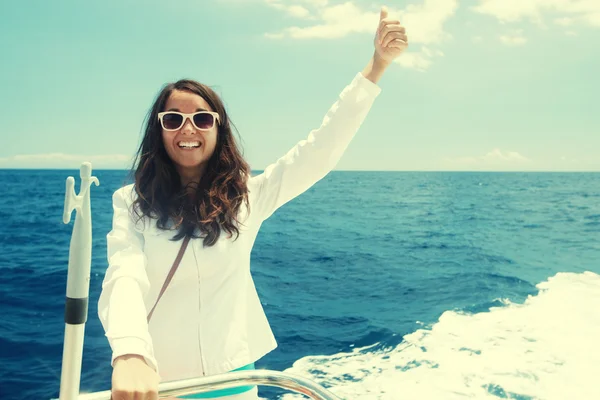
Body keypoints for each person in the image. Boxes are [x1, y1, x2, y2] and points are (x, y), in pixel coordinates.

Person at [98, 6, 407, 400]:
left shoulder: (247, 197)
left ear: (218, 129)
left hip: (234, 382)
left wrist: (376, 67)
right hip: (158, 382)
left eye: (202, 119)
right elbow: (124, 273)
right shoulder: (131, 203)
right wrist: (129, 352)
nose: (188, 128)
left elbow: (319, 150)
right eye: (173, 120)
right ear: (159, 132)